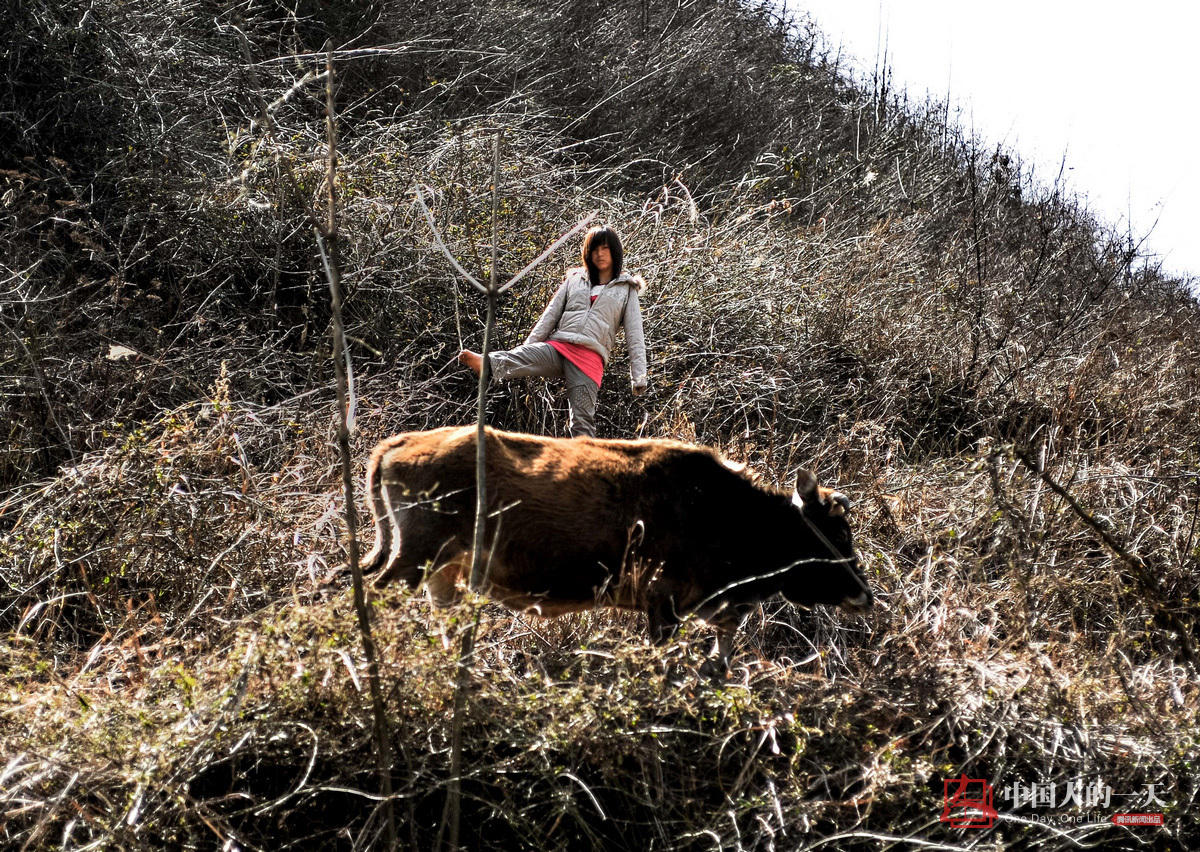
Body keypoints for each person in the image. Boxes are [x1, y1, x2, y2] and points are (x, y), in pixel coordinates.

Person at [458, 225, 647, 438]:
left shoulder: (626, 289)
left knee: (582, 421)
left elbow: (635, 335)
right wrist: (528, 348)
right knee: (520, 355)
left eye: (605, 248)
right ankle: (487, 363)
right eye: (594, 249)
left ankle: (584, 467)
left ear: (615, 251)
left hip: (589, 358)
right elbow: (549, 316)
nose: (599, 254)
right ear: (588, 252)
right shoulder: (575, 280)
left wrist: (638, 376)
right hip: (560, 346)